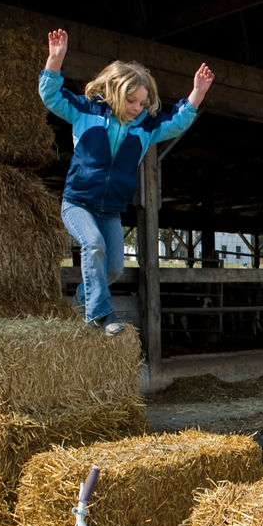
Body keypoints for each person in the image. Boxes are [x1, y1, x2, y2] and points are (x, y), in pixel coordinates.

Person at [39, 29, 215, 335]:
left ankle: (83, 299)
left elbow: (177, 122)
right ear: (116, 93)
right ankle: (101, 315)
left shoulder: (146, 129)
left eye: (143, 103)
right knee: (92, 245)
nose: (138, 108)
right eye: (132, 101)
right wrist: (55, 61)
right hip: (78, 202)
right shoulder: (86, 111)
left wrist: (197, 92)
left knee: (115, 268)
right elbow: (51, 96)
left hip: (110, 209)